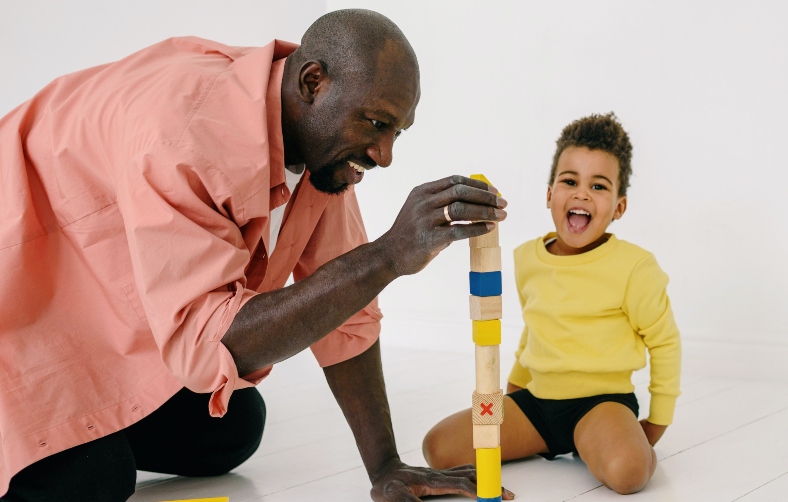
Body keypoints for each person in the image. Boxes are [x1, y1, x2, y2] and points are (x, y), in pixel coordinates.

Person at [0, 9, 512, 502]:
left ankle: (84, 422)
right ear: (314, 83)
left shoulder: (319, 145)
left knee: (234, 427)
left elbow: (347, 310)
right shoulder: (186, 137)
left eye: (396, 131)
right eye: (376, 124)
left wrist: (384, 467)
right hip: (15, 314)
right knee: (94, 479)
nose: (384, 155)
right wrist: (389, 255)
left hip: (82, 311)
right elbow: (207, 345)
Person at [422, 113, 681, 494]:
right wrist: (512, 391)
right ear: (549, 195)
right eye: (570, 181)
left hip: (601, 406)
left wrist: (658, 422)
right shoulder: (528, 258)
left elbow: (665, 342)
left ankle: (607, 444)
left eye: (599, 186)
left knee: (628, 473)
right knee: (438, 449)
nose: (581, 194)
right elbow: (535, 329)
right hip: (538, 406)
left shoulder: (635, 267)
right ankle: (553, 443)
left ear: (619, 207)